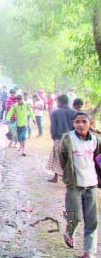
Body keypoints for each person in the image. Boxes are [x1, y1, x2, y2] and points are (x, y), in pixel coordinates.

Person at [58, 111, 101, 258]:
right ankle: (69, 232)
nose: (80, 124)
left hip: (91, 184)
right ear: (73, 123)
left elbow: (99, 160)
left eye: (84, 121)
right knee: (74, 216)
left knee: (92, 221)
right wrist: (68, 175)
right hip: (74, 185)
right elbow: (62, 158)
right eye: (77, 122)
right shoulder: (68, 138)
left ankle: (88, 253)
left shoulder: (95, 140)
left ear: (90, 124)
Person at [46, 94, 76, 183]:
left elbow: (53, 127)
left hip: (59, 138)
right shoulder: (74, 112)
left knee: (57, 158)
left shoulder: (55, 112)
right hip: (72, 138)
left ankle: (56, 177)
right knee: (70, 157)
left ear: (60, 102)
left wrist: (53, 137)